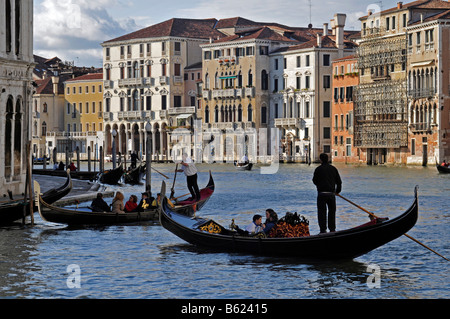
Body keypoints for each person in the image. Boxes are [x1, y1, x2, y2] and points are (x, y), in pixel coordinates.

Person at [312, 153, 342, 234]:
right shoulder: (333, 169)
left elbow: (314, 180)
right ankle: (332, 229)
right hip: (331, 194)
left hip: (321, 194)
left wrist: (319, 186)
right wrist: (337, 191)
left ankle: (323, 230)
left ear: (320, 160)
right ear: (328, 159)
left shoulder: (318, 169)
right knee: (332, 212)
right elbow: (339, 182)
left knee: (322, 212)